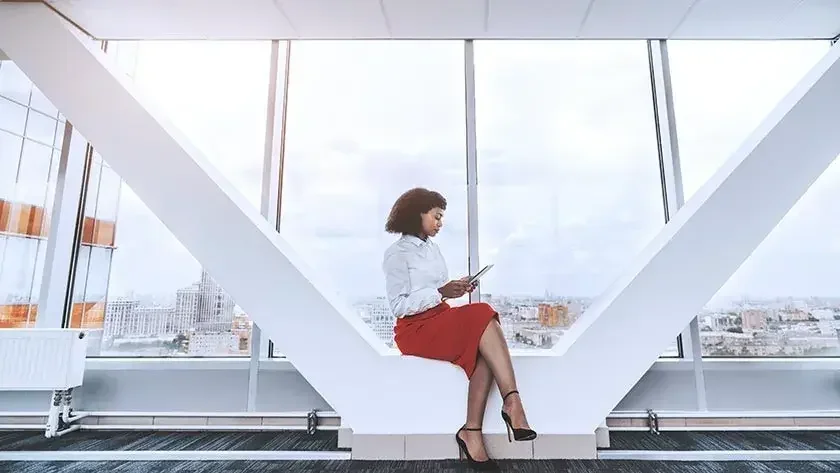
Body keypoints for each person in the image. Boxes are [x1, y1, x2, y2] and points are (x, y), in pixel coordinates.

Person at [382, 187, 537, 470]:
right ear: (416, 214)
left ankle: (471, 433)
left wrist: (458, 286)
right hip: (415, 329)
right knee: (483, 314)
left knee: (485, 354)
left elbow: (435, 291)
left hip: (440, 318)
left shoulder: (432, 248)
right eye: (436, 216)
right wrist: (441, 291)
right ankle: (512, 403)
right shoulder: (397, 254)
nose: (440, 223)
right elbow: (398, 306)